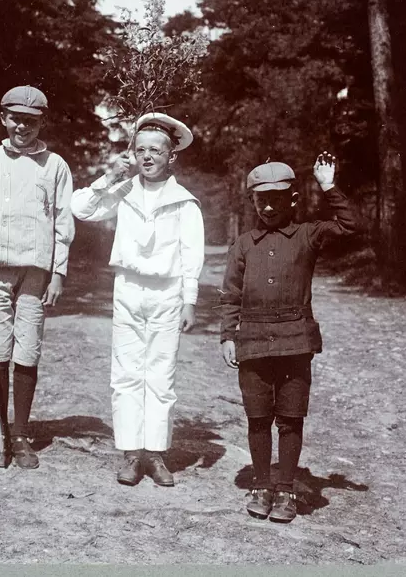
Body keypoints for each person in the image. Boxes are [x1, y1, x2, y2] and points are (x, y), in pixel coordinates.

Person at [218, 154, 359, 523]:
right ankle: (261, 485)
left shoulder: (308, 235)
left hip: (295, 342)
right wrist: (228, 335)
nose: (268, 207)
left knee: (291, 418)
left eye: (277, 200)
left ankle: (285, 489)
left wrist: (328, 186)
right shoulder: (243, 244)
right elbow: (230, 294)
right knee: (258, 418)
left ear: (293, 200)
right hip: (252, 343)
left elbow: (350, 225)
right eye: (261, 200)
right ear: (251, 201)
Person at [71, 112, 204, 487]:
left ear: (171, 156)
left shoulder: (183, 201)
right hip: (128, 288)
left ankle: (156, 453)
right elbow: (81, 209)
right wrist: (110, 176)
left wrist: (189, 300)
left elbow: (191, 253)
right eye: (140, 149)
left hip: (166, 292)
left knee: (160, 376)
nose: (147, 157)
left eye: (156, 151)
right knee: (126, 373)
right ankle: (131, 454)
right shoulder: (124, 190)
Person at [0, 86, 75, 469]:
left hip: (35, 273)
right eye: (16, 119)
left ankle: (20, 434)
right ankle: (0, 432)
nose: (22, 127)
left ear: (42, 122)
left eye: (30, 121)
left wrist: (58, 274)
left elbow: (63, 223)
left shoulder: (54, 166)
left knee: (27, 349)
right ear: (3, 119)